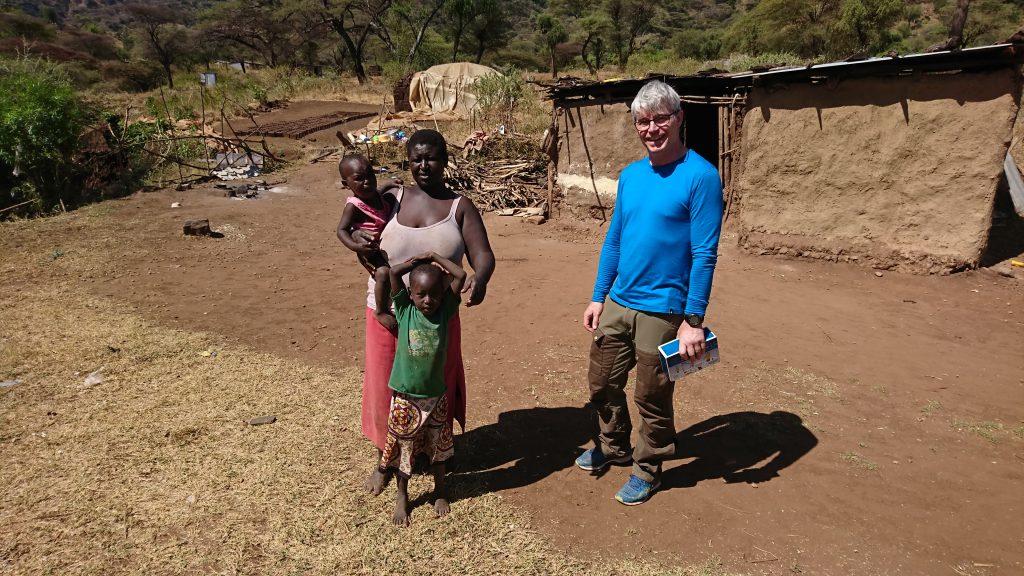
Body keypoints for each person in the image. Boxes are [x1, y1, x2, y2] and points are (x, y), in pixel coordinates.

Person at [576, 80, 724, 505]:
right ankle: (614, 447)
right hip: (619, 301)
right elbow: (615, 240)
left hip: (664, 310)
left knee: (652, 395)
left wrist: (693, 321)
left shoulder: (701, 177)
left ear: (678, 118)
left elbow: (704, 253)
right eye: (643, 121)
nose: (652, 128)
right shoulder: (631, 175)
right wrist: (598, 295)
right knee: (602, 381)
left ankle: (648, 467)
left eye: (660, 118)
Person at [357, 129, 496, 496]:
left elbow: (482, 254)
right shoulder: (391, 198)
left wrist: (479, 279)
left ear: (445, 159)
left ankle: (436, 449)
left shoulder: (460, 206)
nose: (423, 165)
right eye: (416, 158)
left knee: (437, 383)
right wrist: (362, 250)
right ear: (408, 161)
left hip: (438, 318)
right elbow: (359, 228)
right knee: (386, 385)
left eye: (431, 157)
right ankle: (386, 460)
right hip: (387, 313)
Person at [379, 252, 466, 525]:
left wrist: (434, 257)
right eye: (421, 294)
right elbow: (393, 273)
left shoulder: (445, 311)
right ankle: (402, 496)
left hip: (436, 395)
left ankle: (440, 491)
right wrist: (416, 263)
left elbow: (461, 275)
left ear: (442, 293)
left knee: (438, 447)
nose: (428, 300)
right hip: (406, 396)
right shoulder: (404, 310)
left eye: (434, 294)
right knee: (404, 448)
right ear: (410, 294)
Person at [335, 154, 402, 330]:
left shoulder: (374, 195)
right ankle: (381, 311)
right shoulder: (354, 205)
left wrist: (389, 184)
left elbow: (379, 191)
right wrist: (356, 246)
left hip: (381, 246)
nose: (367, 182)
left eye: (370, 175)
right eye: (359, 179)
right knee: (383, 273)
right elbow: (341, 230)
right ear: (346, 184)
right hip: (368, 250)